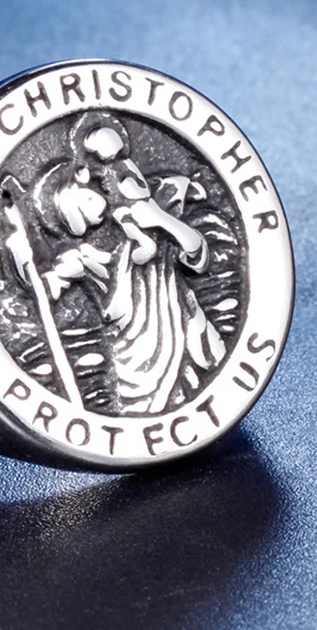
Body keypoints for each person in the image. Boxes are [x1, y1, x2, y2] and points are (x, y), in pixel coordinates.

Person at [13, 112, 227, 415]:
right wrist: (24, 260)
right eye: (76, 220)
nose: (87, 217)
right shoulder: (83, 257)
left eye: (83, 203)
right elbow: (43, 289)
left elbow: (198, 255)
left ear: (84, 179)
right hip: (137, 368)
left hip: (193, 336)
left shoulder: (146, 212)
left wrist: (160, 219)